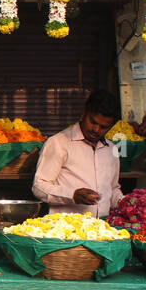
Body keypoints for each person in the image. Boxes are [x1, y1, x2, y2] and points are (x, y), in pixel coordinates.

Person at [31, 88, 124, 219]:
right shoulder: (58, 143)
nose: (96, 130)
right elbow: (39, 187)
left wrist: (127, 204)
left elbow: (113, 189)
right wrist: (72, 195)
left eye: (103, 127)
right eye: (93, 122)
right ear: (84, 112)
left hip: (102, 230)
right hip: (66, 231)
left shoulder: (111, 149)